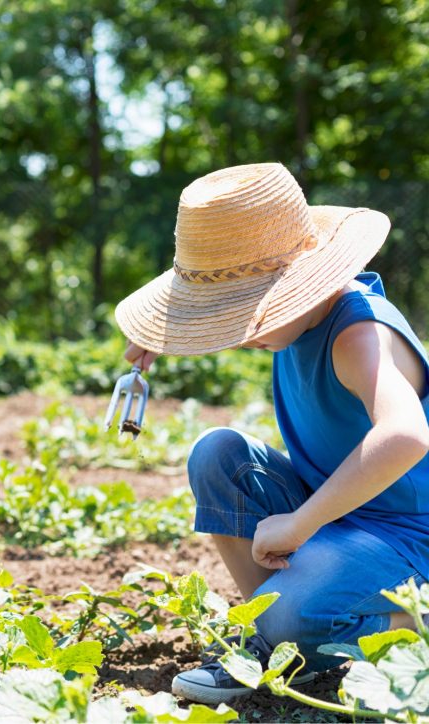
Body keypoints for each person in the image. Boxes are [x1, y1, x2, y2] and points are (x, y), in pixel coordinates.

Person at [114, 162, 429, 705]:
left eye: (244, 313)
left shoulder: (357, 332)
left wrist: (300, 524)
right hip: (343, 514)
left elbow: (405, 436)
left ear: (301, 283)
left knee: (292, 613)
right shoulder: (300, 322)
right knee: (218, 453)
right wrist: (170, 333)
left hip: (407, 537)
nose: (239, 332)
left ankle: (402, 623)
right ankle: (269, 641)